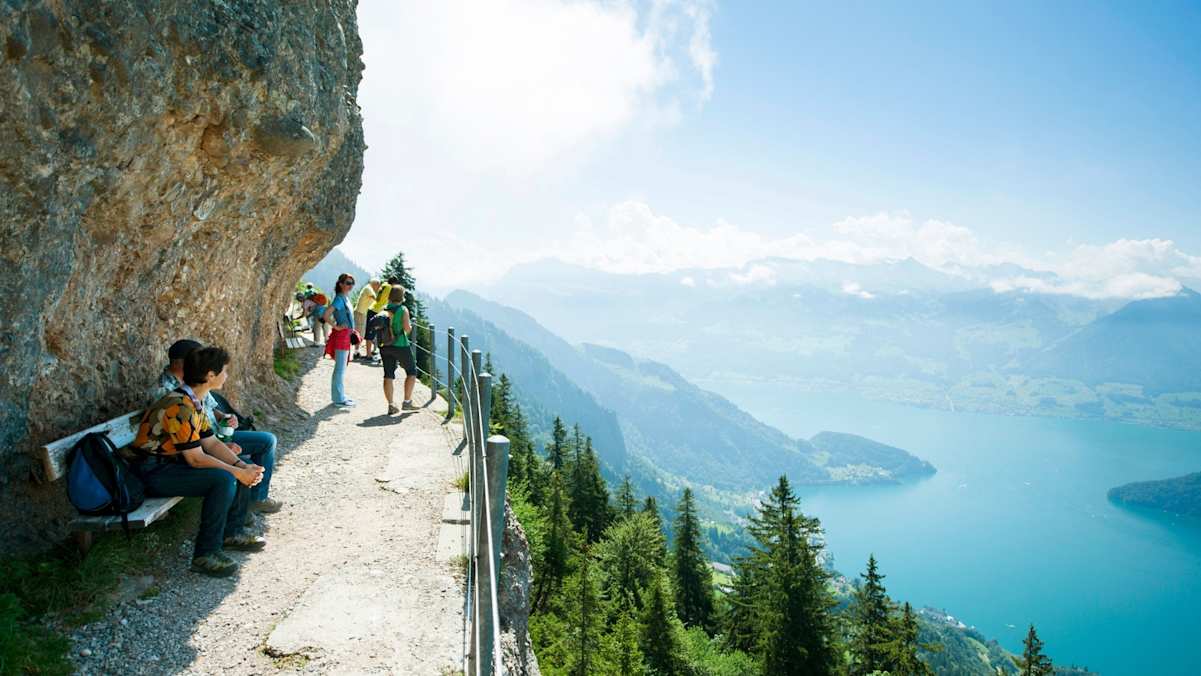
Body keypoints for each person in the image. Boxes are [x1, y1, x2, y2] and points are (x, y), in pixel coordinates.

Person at [131, 346, 266, 577]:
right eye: (224, 371)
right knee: (223, 479)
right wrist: (236, 472)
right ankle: (205, 555)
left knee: (235, 467)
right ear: (210, 376)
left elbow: (211, 443)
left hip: (170, 466)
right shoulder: (179, 406)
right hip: (151, 472)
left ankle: (231, 534)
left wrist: (243, 467)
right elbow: (195, 459)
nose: (227, 376)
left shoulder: (193, 402)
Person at [154, 340, 283, 516]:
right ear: (181, 363)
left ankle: (255, 501)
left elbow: (210, 409)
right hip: (188, 450)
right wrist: (233, 462)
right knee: (236, 472)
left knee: (265, 442)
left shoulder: (192, 387)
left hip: (211, 437)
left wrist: (225, 417)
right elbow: (188, 445)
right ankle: (235, 527)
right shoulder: (169, 393)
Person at [379, 286, 418, 415]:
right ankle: (407, 402)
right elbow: (407, 329)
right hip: (400, 345)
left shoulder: (384, 309)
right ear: (402, 297)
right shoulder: (403, 310)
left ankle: (391, 405)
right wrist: (410, 326)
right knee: (411, 371)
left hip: (385, 345)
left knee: (388, 374)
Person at [328, 273, 357, 407]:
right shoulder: (339, 299)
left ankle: (340, 396)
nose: (350, 286)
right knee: (339, 369)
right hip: (342, 336)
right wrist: (336, 326)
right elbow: (326, 314)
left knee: (341, 368)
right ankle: (338, 399)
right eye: (347, 283)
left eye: (352, 283)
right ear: (340, 284)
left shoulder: (345, 298)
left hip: (346, 336)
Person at [367, 277, 396, 363]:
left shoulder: (383, 285)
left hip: (373, 308)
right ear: (393, 283)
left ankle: (370, 353)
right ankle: (370, 355)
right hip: (378, 311)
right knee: (377, 333)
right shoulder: (390, 288)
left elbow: (378, 298)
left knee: (371, 332)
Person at [354, 278, 379, 360]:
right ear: (375, 284)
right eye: (378, 285)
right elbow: (374, 298)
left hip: (362, 313)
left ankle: (356, 351)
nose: (378, 288)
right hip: (360, 313)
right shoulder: (369, 288)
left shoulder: (368, 288)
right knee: (359, 333)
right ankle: (355, 352)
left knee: (360, 332)